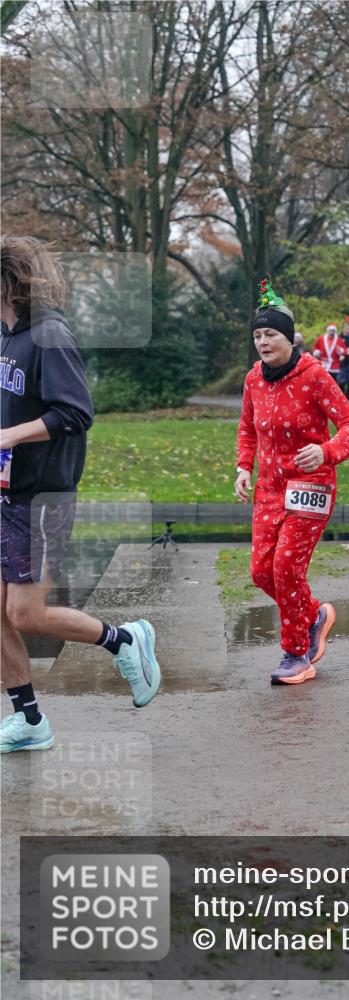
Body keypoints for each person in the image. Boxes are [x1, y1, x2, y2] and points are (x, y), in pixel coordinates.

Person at [0, 236, 160, 753]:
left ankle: (125, 639)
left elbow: (76, 413)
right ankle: (29, 720)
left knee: (25, 613)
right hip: (6, 494)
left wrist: (11, 435)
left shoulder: (50, 335)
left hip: (42, 499)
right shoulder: (6, 336)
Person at [235, 279, 349, 685]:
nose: (263, 342)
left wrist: (326, 452)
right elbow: (247, 428)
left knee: (287, 567)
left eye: (270, 333)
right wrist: (243, 467)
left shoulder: (314, 376)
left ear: (288, 337)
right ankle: (314, 615)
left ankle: (296, 655)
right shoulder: (254, 379)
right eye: (257, 335)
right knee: (261, 571)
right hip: (269, 490)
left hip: (311, 487)